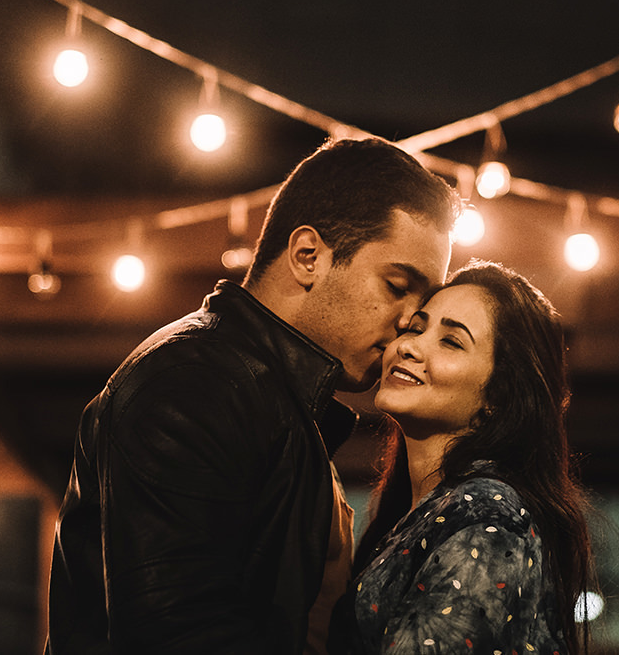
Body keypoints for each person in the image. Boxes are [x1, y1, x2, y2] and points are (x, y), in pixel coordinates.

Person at [45, 137, 459, 654]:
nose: (406, 326)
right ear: (308, 256)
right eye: (398, 285)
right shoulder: (195, 384)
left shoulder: (267, 397)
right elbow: (178, 637)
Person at [329, 260, 595, 655]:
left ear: (497, 399)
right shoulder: (429, 510)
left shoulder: (488, 515)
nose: (407, 345)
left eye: (450, 341)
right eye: (415, 328)